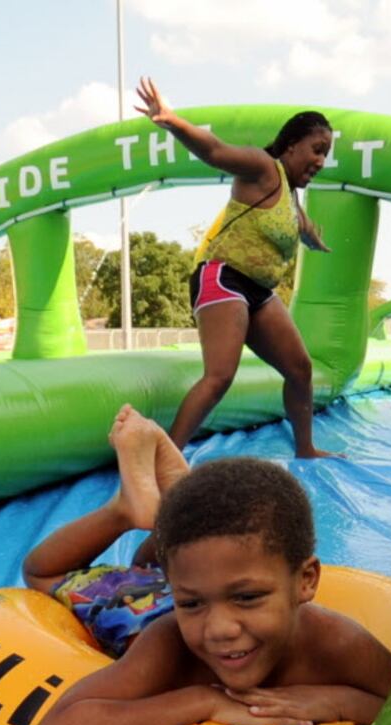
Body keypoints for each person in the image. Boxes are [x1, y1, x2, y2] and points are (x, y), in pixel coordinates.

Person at [23, 405, 391, 725]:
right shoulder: (167, 642)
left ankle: (169, 505)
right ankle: (127, 510)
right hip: (145, 608)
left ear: (306, 581)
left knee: (170, 560)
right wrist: (202, 700)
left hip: (179, 578)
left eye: (248, 597)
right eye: (192, 603)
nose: (220, 628)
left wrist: (341, 702)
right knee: (42, 573)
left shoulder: (338, 642)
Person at [133, 77, 337, 459]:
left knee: (301, 369)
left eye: (326, 154)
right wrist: (171, 121)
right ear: (291, 145)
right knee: (220, 376)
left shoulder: (292, 200)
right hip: (222, 277)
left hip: (258, 291)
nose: (321, 161)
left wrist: (315, 240)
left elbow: (303, 228)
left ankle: (306, 448)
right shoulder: (263, 169)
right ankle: (166, 461)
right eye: (316, 149)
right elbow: (214, 150)